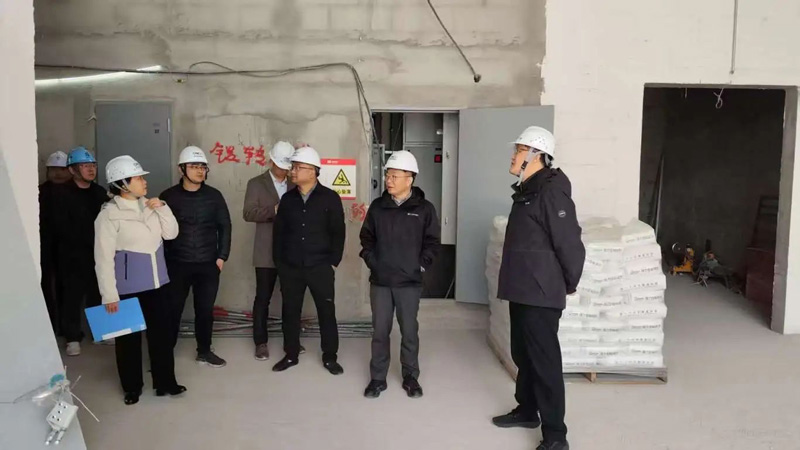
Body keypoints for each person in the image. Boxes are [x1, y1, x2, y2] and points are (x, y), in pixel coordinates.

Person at [491, 127, 585, 450]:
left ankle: (556, 436)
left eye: (519, 150)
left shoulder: (551, 192)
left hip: (541, 293)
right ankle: (528, 410)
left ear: (536, 154)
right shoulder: (527, 190)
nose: (513, 156)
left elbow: (569, 243)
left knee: (545, 363)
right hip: (522, 289)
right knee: (523, 354)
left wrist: (568, 282)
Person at [94, 155, 183, 405]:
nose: (144, 182)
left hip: (157, 284)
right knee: (127, 340)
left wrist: (163, 208)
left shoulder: (151, 206)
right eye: (138, 178)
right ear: (122, 184)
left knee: (162, 336)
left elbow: (171, 234)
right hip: (126, 288)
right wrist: (109, 295)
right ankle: (131, 388)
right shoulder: (108, 215)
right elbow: (103, 258)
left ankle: (165, 383)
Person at [359, 150, 440, 399]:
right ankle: (377, 378)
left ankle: (410, 377)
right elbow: (366, 238)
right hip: (381, 282)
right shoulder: (378, 207)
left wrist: (420, 265)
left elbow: (432, 242)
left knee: (409, 332)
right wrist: (373, 262)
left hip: (409, 283)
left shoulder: (424, 209)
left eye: (394, 176)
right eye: (388, 175)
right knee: (380, 331)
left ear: (410, 178)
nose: (389, 180)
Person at [272, 146, 345, 375]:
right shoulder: (287, 200)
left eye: (297, 167)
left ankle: (330, 357)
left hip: (320, 266)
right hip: (291, 267)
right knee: (290, 311)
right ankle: (291, 354)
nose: (292, 171)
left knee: (326, 312)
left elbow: (338, 232)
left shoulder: (330, 198)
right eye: (292, 167)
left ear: (313, 171)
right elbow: (279, 234)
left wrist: (332, 261)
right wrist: (280, 264)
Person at [161, 146, 232, 368]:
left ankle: (204, 351)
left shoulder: (214, 196)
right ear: (181, 169)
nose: (200, 170)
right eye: (194, 166)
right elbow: (159, 231)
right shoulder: (169, 196)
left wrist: (221, 257)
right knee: (172, 311)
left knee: (205, 311)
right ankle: (164, 354)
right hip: (177, 264)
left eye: (203, 166)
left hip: (207, 264)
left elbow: (225, 226)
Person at [53, 147, 109, 356]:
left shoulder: (99, 192)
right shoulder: (61, 194)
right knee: (72, 297)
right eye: (85, 166)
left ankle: (100, 333)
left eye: (93, 165)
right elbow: (58, 227)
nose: (91, 170)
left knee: (98, 293)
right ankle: (72, 338)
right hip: (71, 255)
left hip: (97, 253)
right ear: (72, 170)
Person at [243, 141, 296, 361]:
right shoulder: (256, 183)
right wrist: (274, 210)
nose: (285, 170)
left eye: (287, 167)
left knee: (291, 298)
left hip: (291, 251)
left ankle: (291, 341)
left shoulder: (295, 183)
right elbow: (248, 213)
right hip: (265, 251)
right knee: (263, 298)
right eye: (281, 166)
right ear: (271, 161)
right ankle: (260, 342)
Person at [39, 151, 72, 334]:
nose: (58, 174)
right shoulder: (39, 192)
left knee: (67, 288)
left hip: (71, 249)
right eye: (53, 169)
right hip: (45, 246)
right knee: (46, 286)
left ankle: (68, 330)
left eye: (62, 169)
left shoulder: (78, 191)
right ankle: (49, 326)